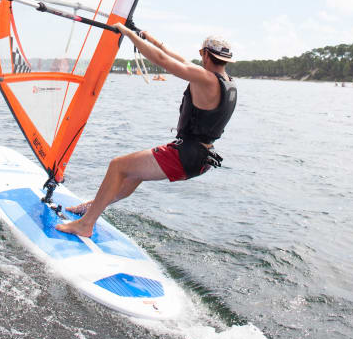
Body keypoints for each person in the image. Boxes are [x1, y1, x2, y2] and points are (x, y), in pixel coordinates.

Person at [55, 27, 237, 238]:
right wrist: (150, 39)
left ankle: (85, 225)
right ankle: (93, 206)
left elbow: (163, 60)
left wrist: (126, 33)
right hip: (201, 157)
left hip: (186, 154)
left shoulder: (206, 79)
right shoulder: (227, 82)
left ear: (205, 54)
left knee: (118, 166)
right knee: (134, 174)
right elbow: (176, 58)